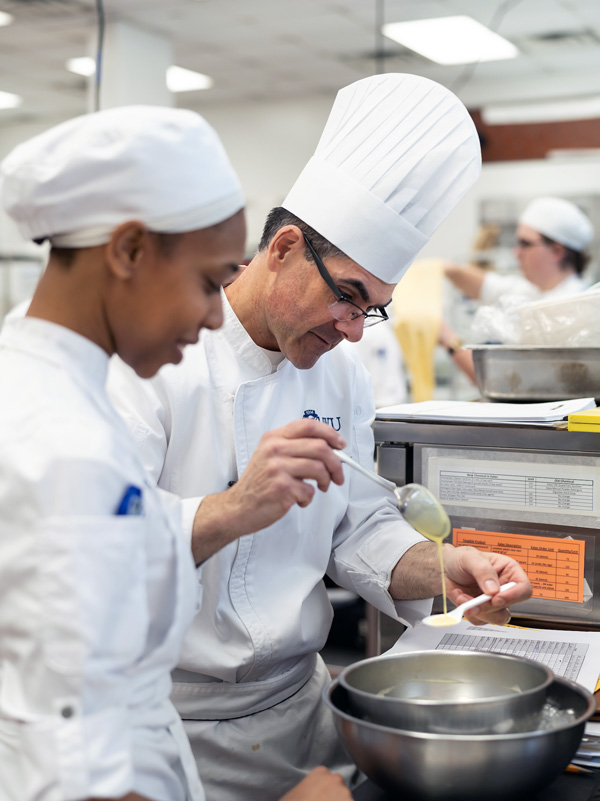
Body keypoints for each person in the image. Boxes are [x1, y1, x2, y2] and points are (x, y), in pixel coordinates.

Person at [107, 75, 533, 801]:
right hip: (162, 729)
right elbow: (97, 551)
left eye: (373, 309)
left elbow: (359, 525)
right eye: (347, 295)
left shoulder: (341, 372)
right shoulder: (147, 361)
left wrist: (444, 564)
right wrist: (234, 506)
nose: (351, 330)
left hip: (303, 717)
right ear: (284, 247)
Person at [0, 107, 352, 801]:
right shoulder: (61, 443)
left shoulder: (52, 381)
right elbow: (74, 773)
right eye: (207, 281)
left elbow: (117, 556)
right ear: (128, 250)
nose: (218, 315)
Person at [440, 197, 594, 382]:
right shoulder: (532, 290)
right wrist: (444, 268)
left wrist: (448, 339)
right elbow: (486, 285)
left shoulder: (569, 311)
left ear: (557, 251)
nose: (516, 253)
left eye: (525, 244)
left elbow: (502, 381)